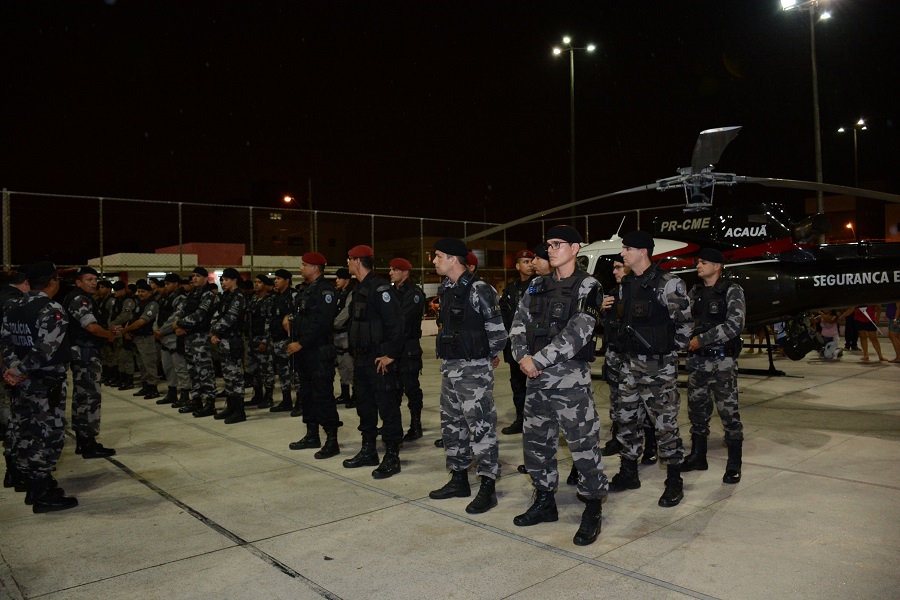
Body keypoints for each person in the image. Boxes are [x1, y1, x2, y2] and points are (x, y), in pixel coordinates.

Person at [509, 225, 607, 545]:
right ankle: (544, 501)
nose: (550, 250)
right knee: (537, 444)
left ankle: (592, 507)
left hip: (569, 381)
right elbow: (518, 325)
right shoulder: (536, 285)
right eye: (548, 245)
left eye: (557, 244)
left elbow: (579, 331)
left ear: (575, 248)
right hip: (536, 381)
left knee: (583, 445)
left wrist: (536, 361)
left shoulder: (589, 286)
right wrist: (522, 356)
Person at [607, 231, 692, 507]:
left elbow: (685, 326)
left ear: (643, 251)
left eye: (627, 248)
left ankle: (674, 480)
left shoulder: (669, 283)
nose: (622, 253)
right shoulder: (627, 283)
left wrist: (666, 351)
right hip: (630, 365)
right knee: (626, 417)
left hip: (658, 368)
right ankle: (629, 472)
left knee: (664, 424)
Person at [428, 238, 507, 514]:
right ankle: (459, 479)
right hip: (450, 368)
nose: (434, 261)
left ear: (453, 259)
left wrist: (485, 358)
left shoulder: (479, 289)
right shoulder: (448, 289)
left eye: (438, 256)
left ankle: (488, 486)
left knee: (481, 428)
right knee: (452, 425)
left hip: (473, 371)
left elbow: (498, 332)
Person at [0, 261, 78, 512]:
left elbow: (5, 343)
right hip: (45, 383)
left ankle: (32, 485)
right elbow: (45, 349)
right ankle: (43, 492)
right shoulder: (52, 309)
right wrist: (21, 371)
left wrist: (13, 371)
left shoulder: (14, 307)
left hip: (23, 383)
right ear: (52, 282)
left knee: (26, 432)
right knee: (48, 435)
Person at [682, 248, 746, 484]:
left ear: (717, 266)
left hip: (722, 361)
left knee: (728, 412)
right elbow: (684, 319)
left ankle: (734, 463)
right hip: (698, 362)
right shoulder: (695, 291)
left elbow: (735, 324)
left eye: (704, 262)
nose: (698, 266)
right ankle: (698, 456)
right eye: (698, 262)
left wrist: (702, 339)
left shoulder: (732, 290)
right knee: (697, 411)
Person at [342, 244, 406, 479]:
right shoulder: (359, 288)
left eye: (349, 259)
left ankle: (392, 456)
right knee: (365, 407)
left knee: (387, 407)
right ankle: (368, 450)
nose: (347, 263)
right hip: (361, 359)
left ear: (357, 261)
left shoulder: (379, 288)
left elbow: (397, 324)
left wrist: (391, 354)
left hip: (379, 359)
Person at [286, 253, 342, 457]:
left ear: (316, 268)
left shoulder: (325, 291)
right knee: (307, 395)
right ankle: (312, 434)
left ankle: (332, 440)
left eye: (304, 265)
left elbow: (322, 323)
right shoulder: (306, 290)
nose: (301, 268)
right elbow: (301, 317)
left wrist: (300, 343)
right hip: (304, 353)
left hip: (318, 352)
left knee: (322, 395)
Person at [63, 267, 117, 458]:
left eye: (95, 279)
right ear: (78, 282)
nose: (94, 283)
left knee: (81, 398)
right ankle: (88, 443)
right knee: (89, 398)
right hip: (86, 353)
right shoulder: (80, 299)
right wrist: (109, 335)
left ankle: (83, 441)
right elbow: (91, 327)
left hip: (82, 353)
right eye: (89, 279)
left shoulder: (79, 297)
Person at [389, 257, 426, 441]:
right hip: (393, 347)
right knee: (393, 389)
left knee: (411, 388)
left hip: (408, 348)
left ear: (405, 272)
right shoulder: (391, 292)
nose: (390, 273)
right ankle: (394, 425)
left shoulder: (414, 293)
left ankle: (416, 425)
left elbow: (401, 320)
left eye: (394, 270)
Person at [498, 249, 535, 436]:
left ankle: (535, 423)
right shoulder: (511, 289)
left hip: (534, 347)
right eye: (525, 261)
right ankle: (521, 420)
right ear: (517, 265)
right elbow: (504, 316)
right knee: (517, 385)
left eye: (531, 261)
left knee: (536, 387)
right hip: (514, 346)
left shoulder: (539, 285)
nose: (529, 264)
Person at [174, 267, 218, 417]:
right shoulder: (191, 295)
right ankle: (197, 400)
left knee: (204, 370)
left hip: (201, 337)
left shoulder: (208, 295)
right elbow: (179, 311)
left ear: (206, 278)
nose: (194, 278)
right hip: (189, 337)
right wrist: (178, 324)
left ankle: (210, 402)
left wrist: (180, 323)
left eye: (198, 276)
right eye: (193, 276)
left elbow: (199, 315)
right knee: (193, 370)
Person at [1, 272, 29, 488]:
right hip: (13, 369)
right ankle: (19, 470)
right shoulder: (16, 303)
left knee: (8, 418)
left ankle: (13, 469)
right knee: (18, 419)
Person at [210, 268, 248, 424]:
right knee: (227, 376)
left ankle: (239, 411)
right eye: (222, 280)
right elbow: (216, 315)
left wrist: (214, 331)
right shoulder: (225, 297)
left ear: (234, 280)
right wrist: (214, 333)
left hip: (233, 340)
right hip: (223, 340)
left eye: (226, 280)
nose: (223, 282)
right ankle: (231, 407)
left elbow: (230, 318)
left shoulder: (238, 297)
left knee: (236, 376)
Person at [121, 279, 161, 399]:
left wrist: (125, 330)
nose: (140, 293)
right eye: (139, 291)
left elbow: (142, 321)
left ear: (149, 292)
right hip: (136, 338)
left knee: (149, 364)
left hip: (146, 337)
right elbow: (132, 319)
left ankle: (153, 388)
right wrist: (127, 331)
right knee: (141, 364)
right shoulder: (139, 303)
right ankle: (146, 386)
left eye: (143, 291)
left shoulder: (152, 304)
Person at [155, 273, 190, 407]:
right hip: (163, 337)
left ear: (176, 283)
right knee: (168, 367)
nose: (166, 286)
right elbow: (159, 315)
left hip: (173, 336)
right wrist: (155, 329)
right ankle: (172, 392)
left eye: (168, 283)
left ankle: (185, 393)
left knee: (180, 367)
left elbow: (175, 317)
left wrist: (161, 330)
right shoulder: (165, 298)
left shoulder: (181, 298)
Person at [269, 269, 301, 414]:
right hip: (277, 340)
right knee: (283, 373)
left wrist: (289, 316)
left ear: (287, 280)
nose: (276, 281)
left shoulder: (293, 295)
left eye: (279, 278)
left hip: (290, 340)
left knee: (295, 372)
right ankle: (286, 400)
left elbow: (300, 313)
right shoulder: (276, 297)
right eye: (275, 278)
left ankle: (301, 402)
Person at [247, 274, 275, 408]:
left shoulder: (270, 300)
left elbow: (270, 322)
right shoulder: (253, 299)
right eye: (255, 282)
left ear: (265, 285)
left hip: (263, 338)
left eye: (259, 282)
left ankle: (268, 396)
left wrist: (265, 341)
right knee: (254, 369)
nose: (256, 284)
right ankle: (257, 395)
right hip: (252, 338)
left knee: (266, 369)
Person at [332, 267, 355, 408]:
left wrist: (333, 323)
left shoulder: (351, 293)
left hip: (346, 333)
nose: (337, 280)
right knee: (341, 364)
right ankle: (345, 394)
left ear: (346, 279)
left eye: (339, 278)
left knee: (349, 364)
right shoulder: (340, 293)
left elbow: (346, 312)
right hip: (338, 334)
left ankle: (356, 395)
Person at [110, 281, 137, 390]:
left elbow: (126, 315)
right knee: (119, 356)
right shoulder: (118, 301)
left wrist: (112, 324)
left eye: (116, 290)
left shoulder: (128, 301)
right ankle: (122, 378)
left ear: (122, 290)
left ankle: (129, 380)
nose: (114, 293)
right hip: (117, 332)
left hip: (124, 331)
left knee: (126, 356)